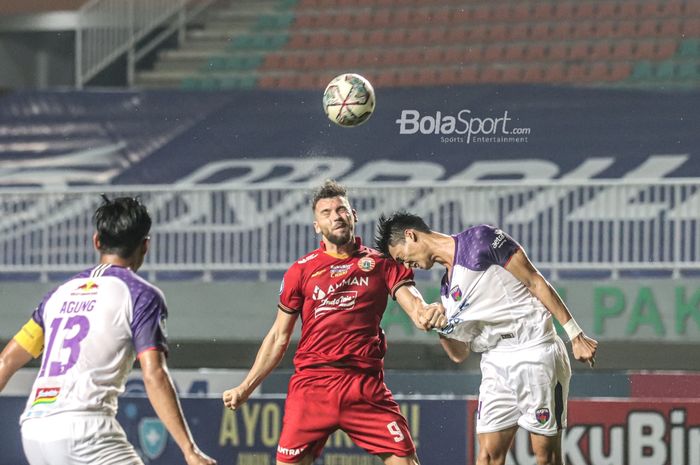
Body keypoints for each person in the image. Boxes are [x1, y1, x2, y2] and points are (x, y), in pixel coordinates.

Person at [222, 180, 445, 465]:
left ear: (354, 215)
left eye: (341, 209)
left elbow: (414, 304)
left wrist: (426, 313)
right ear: (317, 226)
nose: (336, 216)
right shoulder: (300, 272)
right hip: (312, 387)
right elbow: (279, 336)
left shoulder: (382, 263)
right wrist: (245, 387)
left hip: (364, 386)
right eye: (326, 212)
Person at [0, 196, 216, 465]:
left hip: (34, 429)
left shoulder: (57, 295)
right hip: (86, 432)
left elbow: (6, 360)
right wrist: (189, 449)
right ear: (145, 245)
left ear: (96, 241)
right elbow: (154, 374)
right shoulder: (141, 295)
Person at [375, 212, 598, 465]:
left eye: (402, 258)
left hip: (534, 349)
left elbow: (534, 281)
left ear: (410, 235)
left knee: (546, 457)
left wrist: (575, 334)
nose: (405, 266)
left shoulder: (480, 240)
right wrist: (440, 327)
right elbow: (460, 354)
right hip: (495, 361)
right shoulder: (447, 290)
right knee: (488, 456)